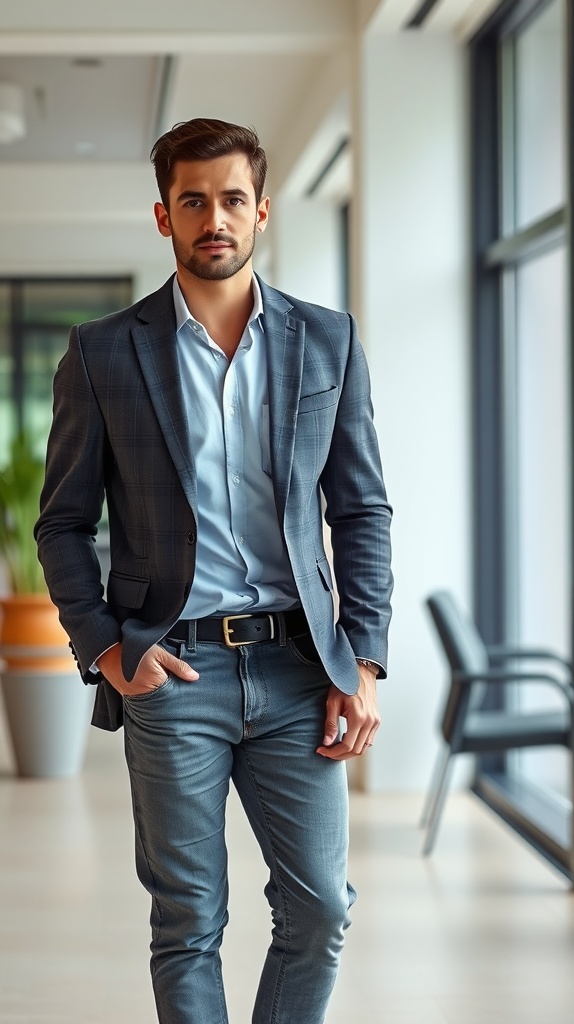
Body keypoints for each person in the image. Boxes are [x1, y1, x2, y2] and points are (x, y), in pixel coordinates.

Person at [35, 117, 393, 1024]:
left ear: (262, 209)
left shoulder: (327, 342)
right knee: (188, 922)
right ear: (165, 217)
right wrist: (109, 651)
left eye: (232, 198)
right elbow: (64, 524)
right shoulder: (104, 352)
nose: (215, 218)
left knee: (319, 910)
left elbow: (360, 510)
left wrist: (366, 661)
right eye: (193, 200)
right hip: (173, 671)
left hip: (298, 668)